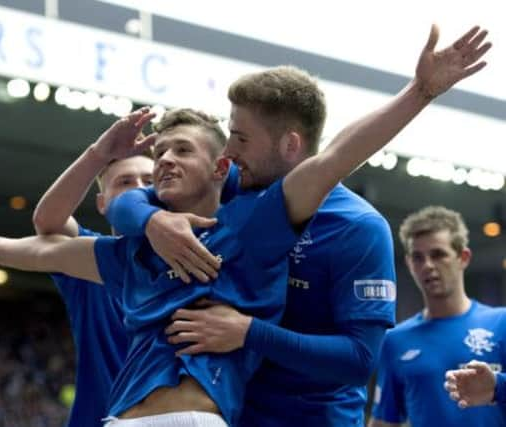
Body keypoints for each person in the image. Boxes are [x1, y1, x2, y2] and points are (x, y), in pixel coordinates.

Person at [0, 69, 440, 427]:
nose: (164, 161)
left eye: (184, 150)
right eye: (160, 151)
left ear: (220, 168)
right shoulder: (135, 250)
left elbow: (335, 157)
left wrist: (419, 92)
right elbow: (49, 244)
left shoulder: (250, 229)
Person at [104, 25, 491, 426]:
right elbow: (127, 200)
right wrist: (153, 222)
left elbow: (360, 361)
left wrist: (250, 332)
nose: (228, 150)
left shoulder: (356, 226)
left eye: (239, 138)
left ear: (290, 145)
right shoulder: (235, 197)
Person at [0, 154, 157, 427]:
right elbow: (49, 223)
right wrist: (100, 152)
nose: (138, 187)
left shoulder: (203, 256)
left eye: (149, 181)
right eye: (124, 181)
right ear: (102, 203)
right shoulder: (91, 256)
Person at [368, 206, 506, 427]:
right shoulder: (395, 341)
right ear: (409, 265)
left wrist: (498, 386)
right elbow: (384, 421)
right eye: (418, 257)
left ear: (463, 257)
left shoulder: (501, 324)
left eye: (438, 254)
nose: (428, 265)